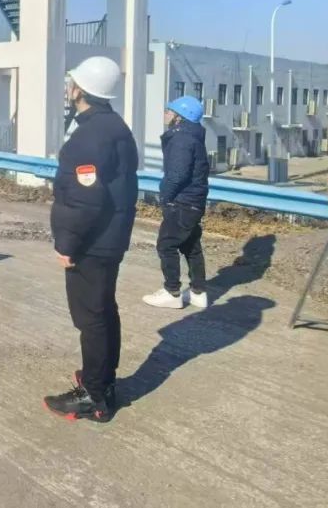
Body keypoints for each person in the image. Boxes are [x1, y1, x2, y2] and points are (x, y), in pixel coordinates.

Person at [44, 56, 138, 424]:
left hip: (94, 242)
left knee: (91, 318)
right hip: (110, 237)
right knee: (103, 311)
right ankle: (101, 379)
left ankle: (95, 396)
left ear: (79, 90)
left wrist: (67, 244)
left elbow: (84, 199)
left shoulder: (90, 136)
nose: (69, 88)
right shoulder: (113, 126)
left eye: (72, 83)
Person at [143, 95, 209, 309]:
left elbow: (177, 174)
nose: (165, 114)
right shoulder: (192, 135)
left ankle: (172, 292)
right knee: (191, 245)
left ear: (180, 117)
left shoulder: (181, 139)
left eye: (169, 111)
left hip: (183, 201)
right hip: (194, 200)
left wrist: (165, 196)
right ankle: (198, 293)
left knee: (166, 245)